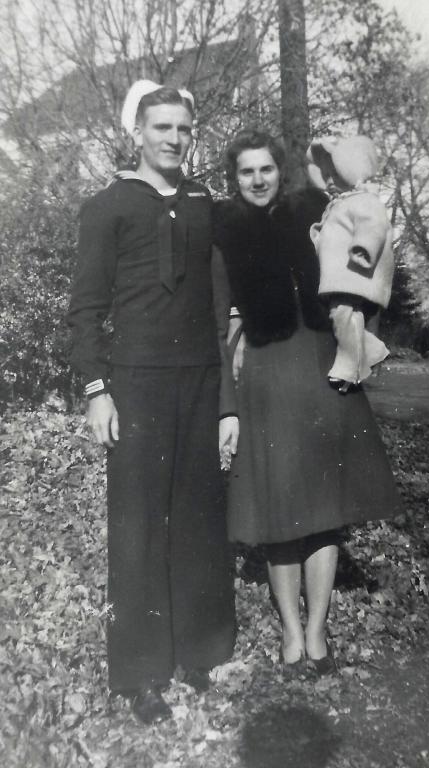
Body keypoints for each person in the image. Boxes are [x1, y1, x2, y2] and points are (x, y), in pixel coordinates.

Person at [68, 81, 239, 724]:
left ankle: (197, 652)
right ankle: (140, 672)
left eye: (183, 130)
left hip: (197, 378)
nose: (173, 139)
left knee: (197, 518)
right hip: (135, 382)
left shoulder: (205, 205)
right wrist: (95, 389)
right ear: (137, 132)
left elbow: (225, 303)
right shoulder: (108, 207)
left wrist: (227, 402)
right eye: (161, 128)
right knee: (138, 525)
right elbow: (86, 308)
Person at [213, 129, 400, 674]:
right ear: (236, 178)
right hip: (268, 377)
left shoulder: (314, 210)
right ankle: (291, 635)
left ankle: (317, 632)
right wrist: (230, 386)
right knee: (279, 511)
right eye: (246, 172)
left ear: (280, 170)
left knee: (323, 512)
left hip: (322, 366)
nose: (257, 180)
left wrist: (358, 339)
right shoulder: (224, 232)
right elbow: (218, 318)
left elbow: (360, 274)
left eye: (265, 169)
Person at [307, 135, 394, 391]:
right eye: (326, 175)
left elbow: (374, 226)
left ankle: (350, 367)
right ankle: (373, 350)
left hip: (354, 275)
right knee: (340, 316)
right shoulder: (340, 204)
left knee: (343, 314)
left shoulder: (365, 200)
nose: (330, 180)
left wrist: (363, 248)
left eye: (336, 173)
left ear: (352, 171)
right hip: (340, 277)